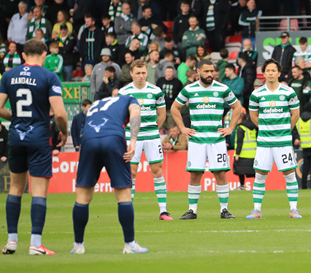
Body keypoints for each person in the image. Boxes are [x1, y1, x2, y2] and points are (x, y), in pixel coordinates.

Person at [0, 39, 68, 255]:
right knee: (38, 191)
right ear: (45, 55)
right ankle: (35, 244)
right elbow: (59, 114)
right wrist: (64, 131)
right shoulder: (49, 76)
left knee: (15, 188)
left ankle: (11, 241)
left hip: (16, 137)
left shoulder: (8, 75)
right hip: (39, 137)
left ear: (22, 55)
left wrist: (14, 117)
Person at [70, 94, 149, 255]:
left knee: (83, 194)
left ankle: (78, 246)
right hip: (113, 138)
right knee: (123, 193)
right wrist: (133, 142)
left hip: (88, 140)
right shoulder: (129, 99)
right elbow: (135, 114)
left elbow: (83, 129)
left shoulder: (95, 105)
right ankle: (130, 244)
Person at [170, 59, 243, 219]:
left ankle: (224, 210)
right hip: (197, 140)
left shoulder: (222, 89)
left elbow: (237, 106)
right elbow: (174, 107)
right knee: (195, 175)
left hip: (217, 140)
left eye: (212, 71)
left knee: (220, 174)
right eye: (206, 71)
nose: (210, 74)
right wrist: (182, 128)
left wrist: (231, 128)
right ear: (198, 71)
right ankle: (192, 210)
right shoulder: (189, 89)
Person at [245, 60, 302, 219]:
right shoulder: (257, 94)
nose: (270, 73)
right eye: (268, 70)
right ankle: (257, 210)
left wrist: (286, 130)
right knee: (260, 175)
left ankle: (294, 210)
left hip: (283, 142)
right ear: (263, 73)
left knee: (289, 174)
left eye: (273, 70)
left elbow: (296, 114)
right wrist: (264, 128)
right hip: (264, 142)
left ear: (279, 73)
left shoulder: (288, 91)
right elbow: (253, 115)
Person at [118, 60, 171, 219]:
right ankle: (128, 212)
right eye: (138, 73)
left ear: (147, 73)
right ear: (131, 74)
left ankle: (163, 211)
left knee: (157, 171)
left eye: (143, 73)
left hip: (152, 136)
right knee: (131, 173)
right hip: (131, 137)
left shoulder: (156, 91)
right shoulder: (124, 92)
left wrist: (152, 129)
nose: (141, 76)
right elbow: (120, 116)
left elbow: (162, 115)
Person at [233, 113, 257, 190]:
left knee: (240, 171)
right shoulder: (254, 127)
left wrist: (237, 153)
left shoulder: (241, 128)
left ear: (240, 119)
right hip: (253, 154)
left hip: (243, 154)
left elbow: (239, 141)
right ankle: (258, 186)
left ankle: (242, 186)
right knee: (254, 172)